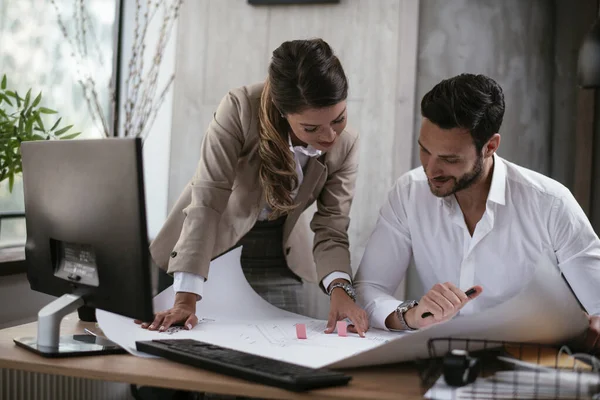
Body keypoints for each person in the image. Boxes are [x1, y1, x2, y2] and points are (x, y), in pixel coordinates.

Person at [345, 73, 600, 352]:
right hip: (443, 364)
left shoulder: (551, 204)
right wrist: (411, 315)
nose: (430, 169)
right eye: (424, 150)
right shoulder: (409, 193)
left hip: (533, 366)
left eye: (449, 159)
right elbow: (367, 289)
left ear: (489, 147)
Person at [139, 38, 369, 337]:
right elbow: (208, 200)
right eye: (311, 128)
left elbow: (331, 227)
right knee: (187, 359)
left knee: (280, 352)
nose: (330, 136)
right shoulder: (239, 108)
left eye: (338, 119)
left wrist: (341, 289)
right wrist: (185, 297)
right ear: (283, 111)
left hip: (278, 253)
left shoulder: (345, 144)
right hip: (204, 249)